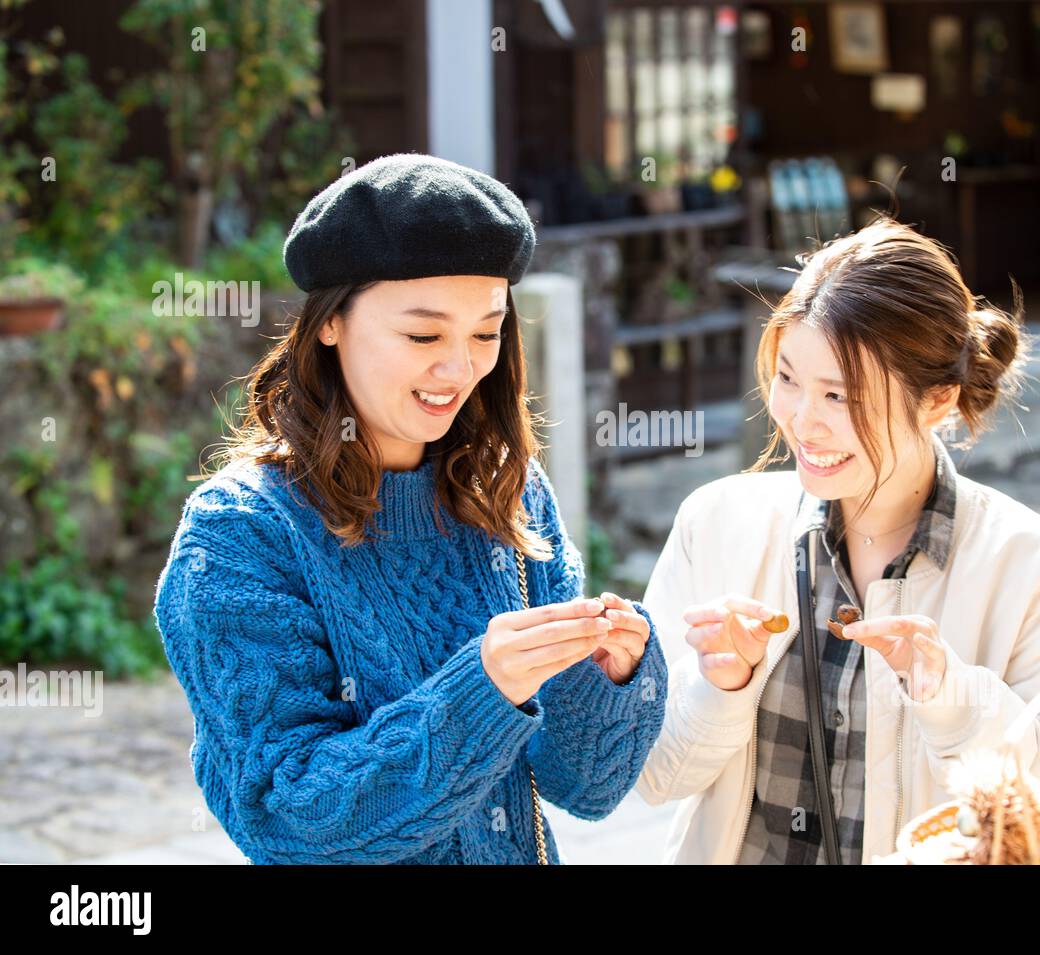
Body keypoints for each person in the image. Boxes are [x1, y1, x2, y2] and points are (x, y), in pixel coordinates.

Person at [153, 154, 667, 864]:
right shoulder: (241, 534)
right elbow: (289, 816)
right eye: (424, 335)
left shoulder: (507, 492)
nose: (459, 369)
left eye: (486, 333)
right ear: (330, 322)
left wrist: (606, 676)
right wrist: (484, 691)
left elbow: (585, 786)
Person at [634, 216, 1040, 864]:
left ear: (937, 401)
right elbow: (655, 775)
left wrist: (953, 698)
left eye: (839, 395)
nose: (802, 420)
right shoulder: (716, 525)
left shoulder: (1029, 562)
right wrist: (718, 685)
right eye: (789, 378)